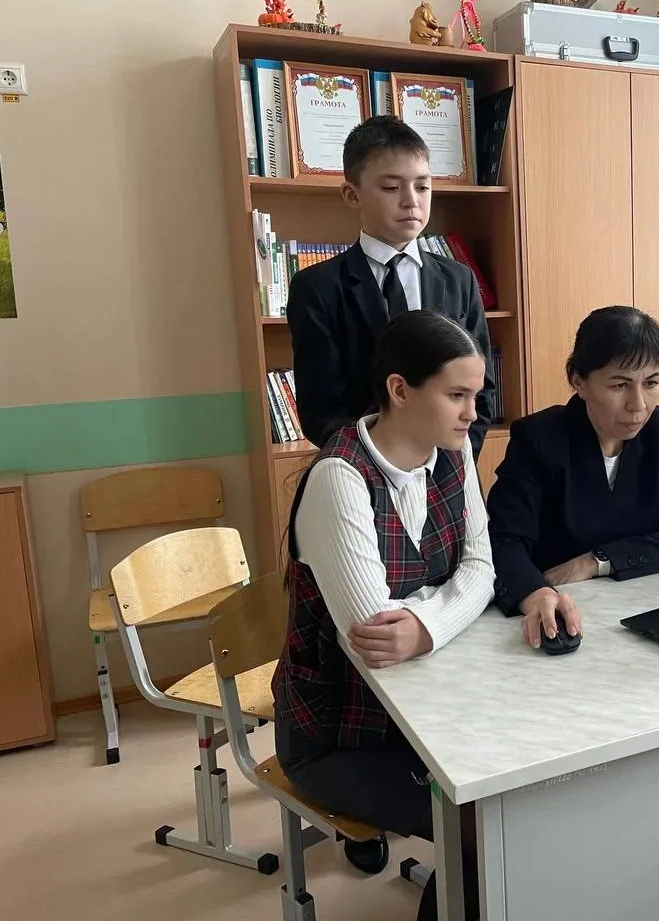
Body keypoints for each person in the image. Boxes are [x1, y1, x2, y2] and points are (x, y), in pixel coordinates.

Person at [272, 310, 490, 920]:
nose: (473, 414)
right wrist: (445, 606)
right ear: (400, 390)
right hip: (339, 738)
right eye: (457, 396)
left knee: (523, 793)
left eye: (475, 396)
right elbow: (375, 636)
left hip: (431, 713)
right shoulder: (339, 479)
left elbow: (483, 569)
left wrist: (425, 625)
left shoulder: (454, 453)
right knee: (481, 826)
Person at [487, 305, 659, 646]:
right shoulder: (538, 439)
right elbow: (504, 543)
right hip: (557, 612)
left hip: (638, 610)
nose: (639, 404)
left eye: (651, 383)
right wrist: (536, 594)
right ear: (579, 382)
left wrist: (597, 561)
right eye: (620, 385)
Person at [286, 114, 494, 456]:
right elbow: (321, 409)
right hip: (363, 470)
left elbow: (481, 390)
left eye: (422, 186)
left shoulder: (459, 279)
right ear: (352, 195)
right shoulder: (318, 288)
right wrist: (383, 467)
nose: (411, 200)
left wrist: (447, 464)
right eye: (391, 188)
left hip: (449, 469)